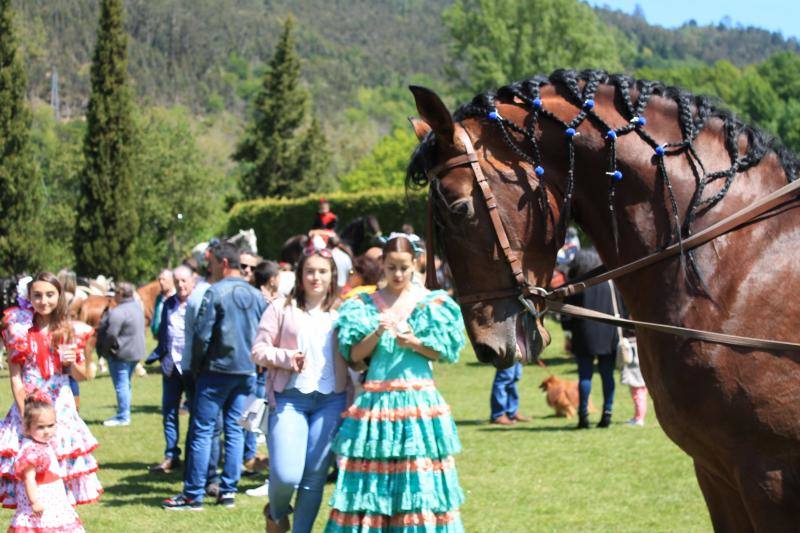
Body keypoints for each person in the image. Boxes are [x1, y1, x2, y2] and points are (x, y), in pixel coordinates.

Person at [325, 235, 466, 532]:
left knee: (418, 478)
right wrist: (377, 333)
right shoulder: (364, 304)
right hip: (377, 402)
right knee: (372, 481)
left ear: (415, 264)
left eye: (404, 267)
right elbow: (354, 355)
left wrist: (414, 342)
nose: (398, 274)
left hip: (419, 402)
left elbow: (442, 352)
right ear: (383, 266)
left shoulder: (432, 303)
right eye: (391, 268)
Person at [162, 242, 266, 510]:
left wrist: (196, 368)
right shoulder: (256, 295)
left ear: (224, 263)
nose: (209, 269)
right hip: (246, 371)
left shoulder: (215, 292)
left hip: (217, 371)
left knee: (202, 430)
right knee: (235, 429)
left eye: (211, 264)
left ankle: (193, 494)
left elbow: (202, 336)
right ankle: (228, 491)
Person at [253, 242, 349, 529]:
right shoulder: (280, 308)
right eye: (310, 271)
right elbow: (258, 350)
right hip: (289, 399)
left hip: (332, 400)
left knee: (314, 478)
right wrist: (285, 357)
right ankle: (276, 514)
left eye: (322, 271)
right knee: (286, 475)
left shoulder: (343, 312)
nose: (316, 277)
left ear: (332, 276)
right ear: (300, 274)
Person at [0, 272, 102, 508]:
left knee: (60, 477)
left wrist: (71, 363)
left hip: (61, 410)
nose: (43, 301)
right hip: (28, 408)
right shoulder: (18, 330)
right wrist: (26, 416)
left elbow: (82, 376)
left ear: (59, 296)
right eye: (37, 295)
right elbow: (15, 379)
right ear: (29, 297)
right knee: (29, 476)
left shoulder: (69, 330)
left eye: (49, 295)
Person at [8, 392, 84, 533]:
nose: (47, 431)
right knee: (42, 527)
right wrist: (34, 501)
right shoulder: (31, 451)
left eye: (50, 425)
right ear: (27, 428)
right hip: (41, 501)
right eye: (40, 427)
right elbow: (29, 479)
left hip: (53, 499)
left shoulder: (45, 444)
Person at [561, 248, 618, 429]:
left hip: (583, 335)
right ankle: (607, 412)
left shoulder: (576, 286)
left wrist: (568, 335)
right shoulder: (610, 282)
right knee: (607, 375)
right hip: (609, 334)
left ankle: (583, 415)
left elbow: (566, 315)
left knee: (585, 376)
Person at [148, 266, 195, 473]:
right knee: (169, 411)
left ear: (192, 281)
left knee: (195, 412)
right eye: (177, 282)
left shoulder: (198, 303)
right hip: (170, 366)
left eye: (184, 281)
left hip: (191, 367)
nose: (180, 285)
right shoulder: (168, 304)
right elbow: (162, 331)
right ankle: (171, 455)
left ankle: (193, 456)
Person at [96, 282, 146, 427]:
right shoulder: (137, 307)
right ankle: (124, 413)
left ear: (120, 294)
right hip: (136, 352)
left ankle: (123, 416)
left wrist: (104, 351)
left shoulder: (118, 312)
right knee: (126, 384)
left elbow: (111, 334)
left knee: (121, 385)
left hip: (122, 354)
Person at [151, 269, 176, 338]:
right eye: (159, 279)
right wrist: (154, 328)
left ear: (172, 280)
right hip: (161, 338)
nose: (161, 282)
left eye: (163, 279)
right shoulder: (159, 298)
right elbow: (155, 316)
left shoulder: (177, 297)